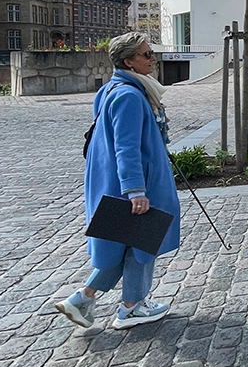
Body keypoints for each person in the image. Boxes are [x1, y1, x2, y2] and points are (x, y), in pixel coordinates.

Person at [55, 32, 180, 330]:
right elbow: (127, 147)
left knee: (123, 246)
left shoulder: (114, 89)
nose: (153, 58)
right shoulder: (129, 96)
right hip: (136, 184)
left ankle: (82, 299)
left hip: (113, 181)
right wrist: (136, 190)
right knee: (142, 243)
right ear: (129, 61)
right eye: (146, 54)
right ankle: (131, 307)